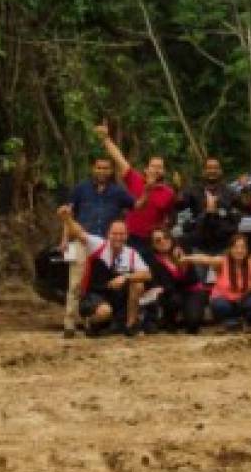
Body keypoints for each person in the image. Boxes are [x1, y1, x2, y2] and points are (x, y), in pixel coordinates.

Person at [55, 157, 134, 337]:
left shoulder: (118, 192)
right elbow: (69, 214)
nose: (102, 171)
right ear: (93, 169)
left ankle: (99, 320)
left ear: (111, 170)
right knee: (75, 282)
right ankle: (69, 324)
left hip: (108, 244)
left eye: (106, 168)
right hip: (81, 240)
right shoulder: (80, 189)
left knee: (103, 283)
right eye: (99, 168)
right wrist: (64, 239)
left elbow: (135, 208)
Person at [59, 211, 152, 337]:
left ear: (127, 236)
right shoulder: (98, 244)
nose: (118, 237)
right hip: (94, 295)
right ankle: (90, 322)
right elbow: (79, 233)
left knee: (138, 284)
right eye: (114, 234)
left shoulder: (131, 253)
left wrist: (126, 277)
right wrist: (68, 219)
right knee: (105, 312)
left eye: (121, 234)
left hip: (117, 297)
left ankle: (130, 326)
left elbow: (147, 274)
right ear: (108, 234)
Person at [94, 123, 176, 258]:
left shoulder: (169, 193)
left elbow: (170, 218)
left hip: (151, 240)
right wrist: (105, 139)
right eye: (153, 166)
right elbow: (119, 159)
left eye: (160, 167)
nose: (156, 169)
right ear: (146, 169)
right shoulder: (135, 179)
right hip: (130, 237)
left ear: (164, 171)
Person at [183, 233, 251, 331]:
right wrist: (186, 259)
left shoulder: (250, 264)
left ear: (246, 250)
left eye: (243, 247)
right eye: (236, 247)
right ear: (231, 249)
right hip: (223, 301)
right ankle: (231, 323)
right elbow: (204, 259)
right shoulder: (223, 261)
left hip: (241, 302)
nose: (239, 251)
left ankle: (239, 323)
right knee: (220, 305)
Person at [143, 227, 207, 335]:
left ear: (171, 238)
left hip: (191, 290)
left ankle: (183, 318)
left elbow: (191, 279)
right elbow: (164, 285)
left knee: (193, 323)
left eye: (166, 237)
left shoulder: (184, 249)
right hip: (170, 294)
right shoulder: (153, 260)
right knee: (173, 299)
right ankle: (169, 320)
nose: (163, 241)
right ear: (153, 245)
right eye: (158, 240)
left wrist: (182, 263)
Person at [175, 156, 242, 255]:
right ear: (203, 171)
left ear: (220, 171)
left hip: (224, 246)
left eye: (215, 168)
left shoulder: (229, 191)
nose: (212, 171)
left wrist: (219, 211)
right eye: (209, 168)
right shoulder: (193, 190)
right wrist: (178, 189)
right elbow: (179, 206)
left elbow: (242, 210)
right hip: (199, 246)